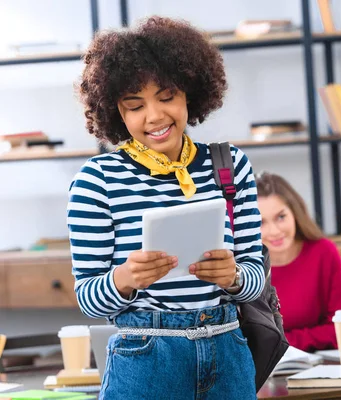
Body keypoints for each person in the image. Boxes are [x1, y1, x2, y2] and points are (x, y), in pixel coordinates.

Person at [67, 16, 263, 399]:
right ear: (117, 112)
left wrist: (233, 276)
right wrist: (125, 278)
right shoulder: (97, 180)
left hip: (227, 351)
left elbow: (255, 278)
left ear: (190, 92)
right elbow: (88, 298)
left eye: (167, 96)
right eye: (135, 105)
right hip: (146, 357)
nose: (154, 116)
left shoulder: (230, 165)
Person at [256, 172, 341, 352]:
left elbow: (340, 328)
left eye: (281, 217)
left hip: (319, 366)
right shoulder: (241, 267)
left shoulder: (324, 252)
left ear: (295, 213)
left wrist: (282, 343)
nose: (274, 231)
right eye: (261, 223)